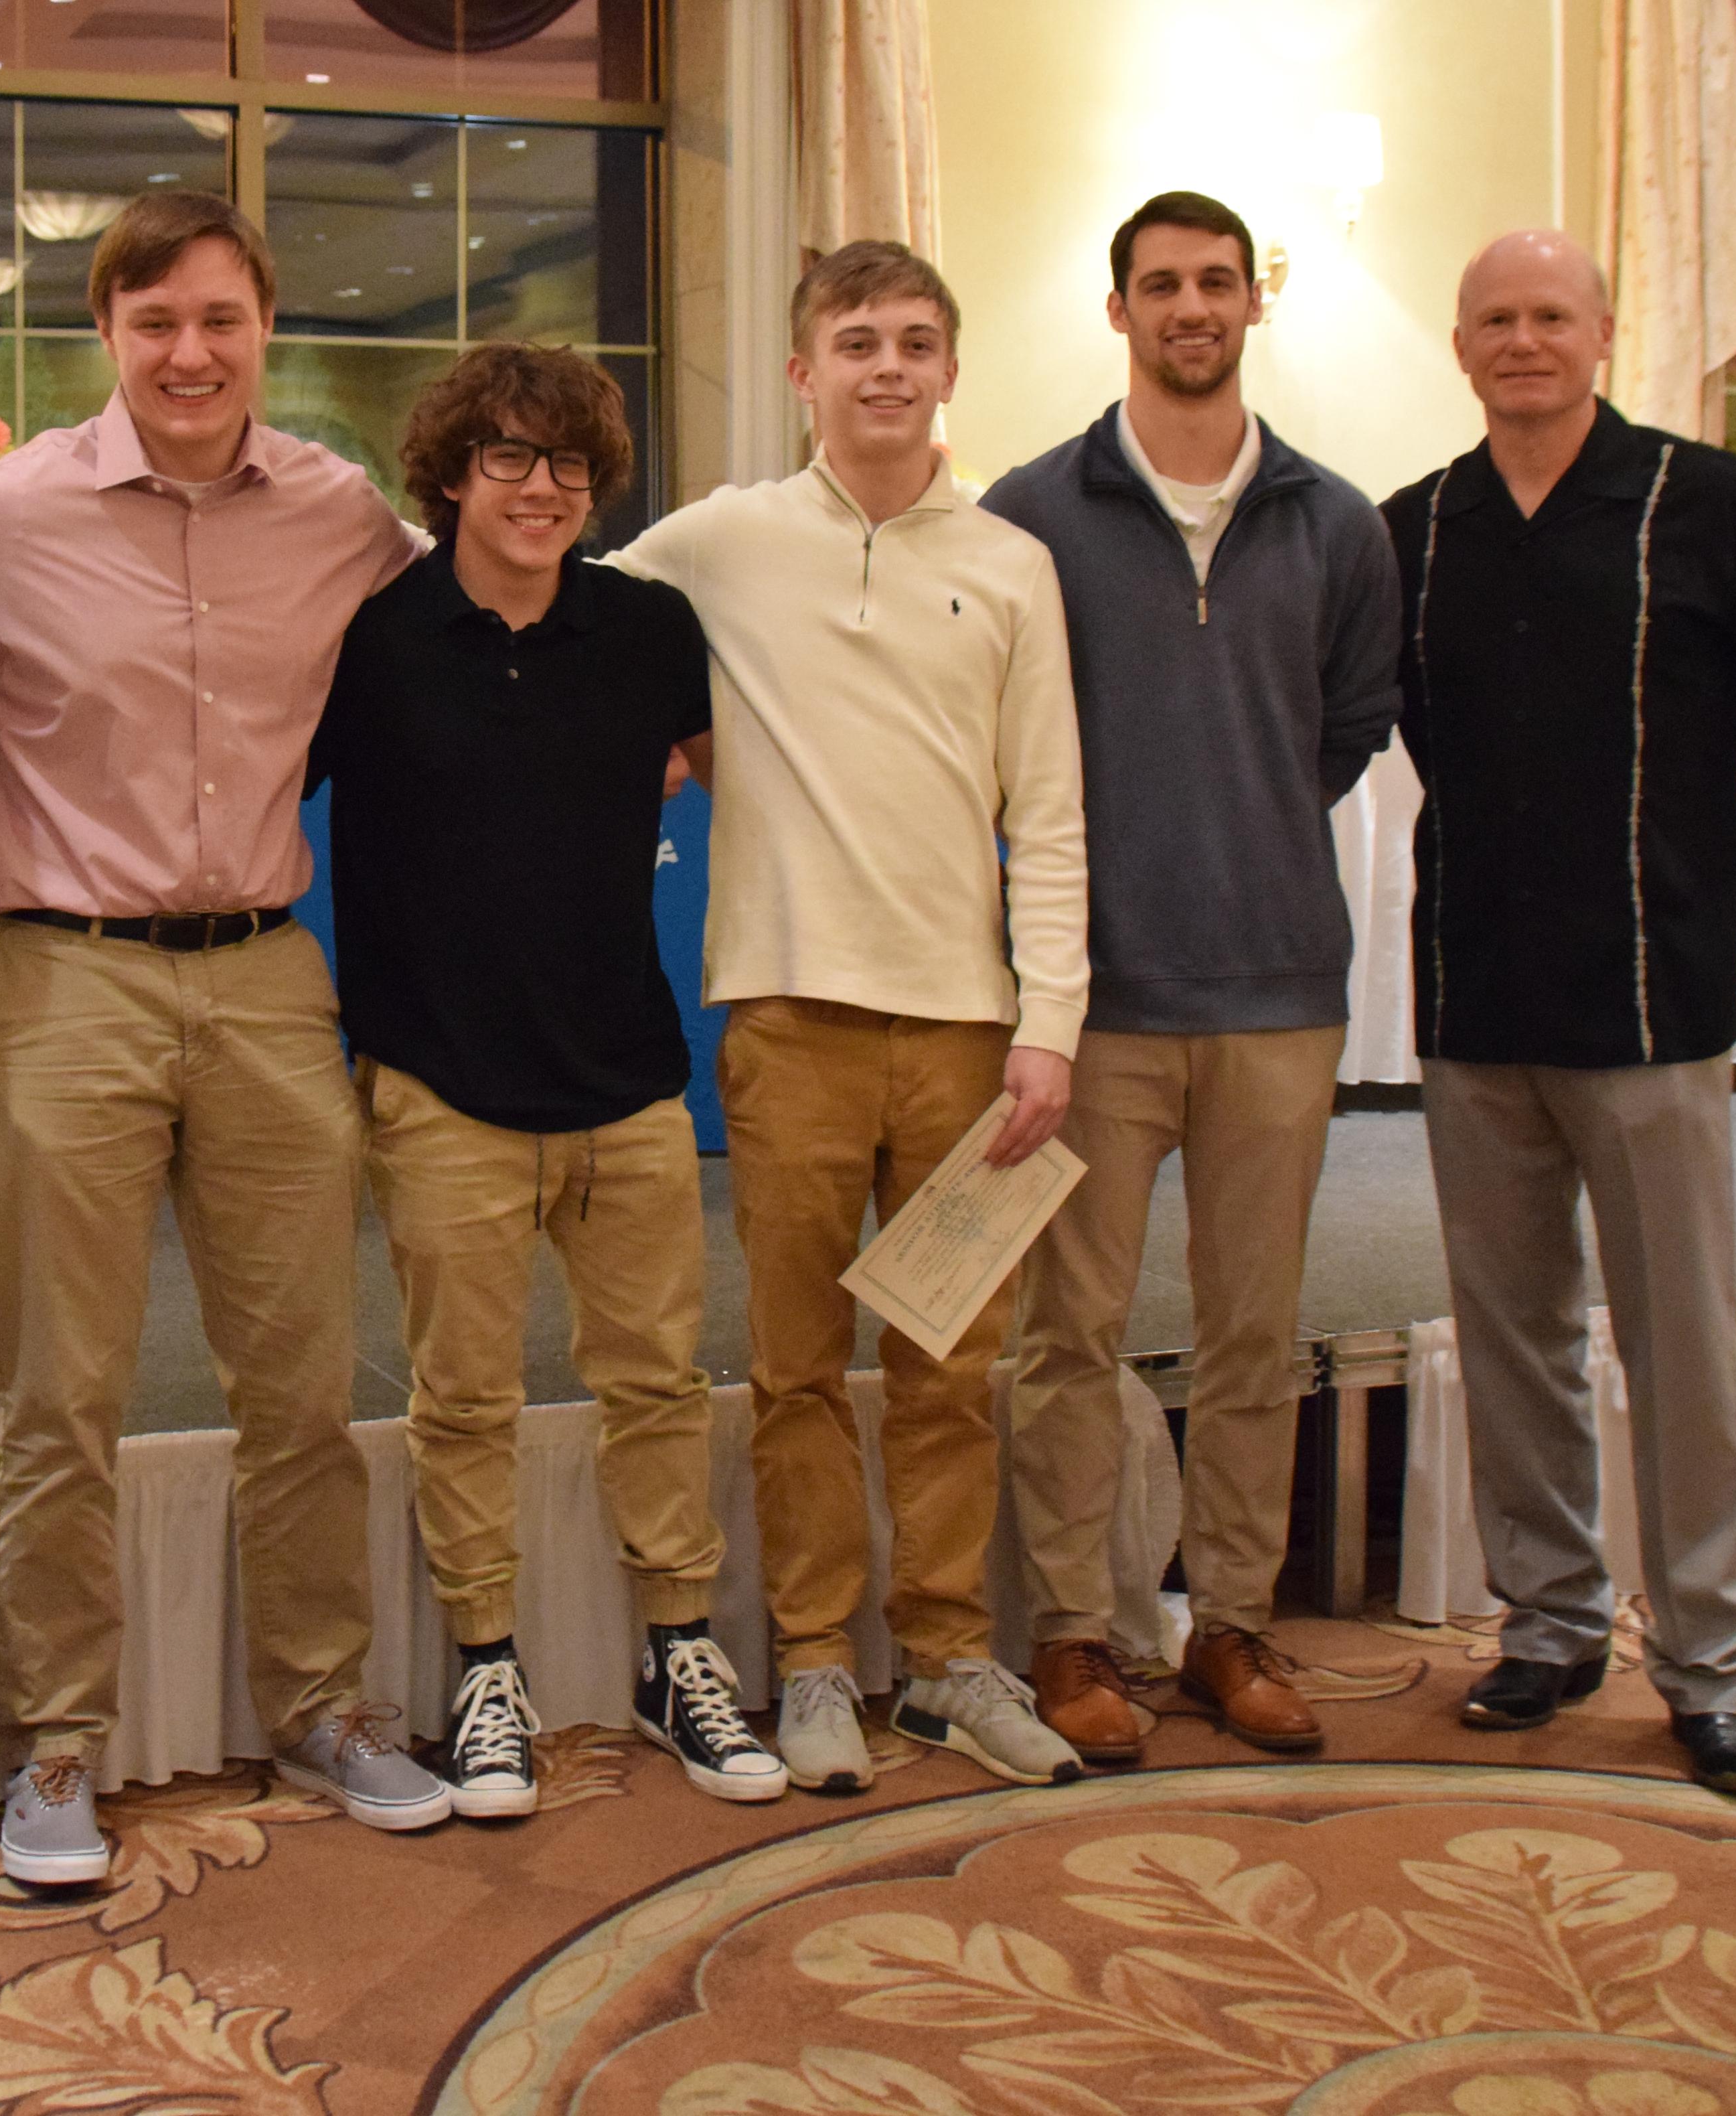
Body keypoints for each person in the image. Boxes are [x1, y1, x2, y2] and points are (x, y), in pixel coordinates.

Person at [0, 190, 451, 1883]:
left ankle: (323, 1704)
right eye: (155, 324)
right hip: (61, 977)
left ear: (265, 326)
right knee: (58, 1389)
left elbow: (470, 625)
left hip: (270, 976)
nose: (190, 353)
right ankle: (55, 1738)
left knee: (303, 1382)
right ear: (108, 336)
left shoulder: (342, 512)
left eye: (220, 319)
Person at [1382, 230, 1736, 1797]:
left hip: (1654, 996)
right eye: (1496, 318)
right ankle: (1548, 1623)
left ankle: (1716, 1660)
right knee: (1513, 1338)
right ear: (1461, 347)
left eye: (1552, 314)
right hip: (1475, 995)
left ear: (1603, 333)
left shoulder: (1708, 501)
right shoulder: (1414, 529)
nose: (1523, 340)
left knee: (1683, 1345)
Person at [610, 240, 1090, 1795]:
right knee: (797, 1367)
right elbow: (562, 613)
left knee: (953, 1365)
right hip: (790, 1024)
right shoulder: (723, 540)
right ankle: (815, 1657)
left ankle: (946, 1659)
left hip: (969, 1035)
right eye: (858, 340)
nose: (888, 366)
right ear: (803, 370)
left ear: (949, 368)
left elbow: (1052, 811)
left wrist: (1051, 1021)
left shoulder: (1013, 564)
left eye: (915, 341)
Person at [310, 344, 781, 1813]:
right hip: (441, 1081)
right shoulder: (374, 633)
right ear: (450, 473)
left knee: (659, 1383)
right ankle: (486, 1667)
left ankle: (679, 1654)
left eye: (569, 462)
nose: (541, 486)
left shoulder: (648, 626)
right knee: (463, 1397)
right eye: (507, 456)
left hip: (626, 1078)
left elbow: (748, 777)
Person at [983, 192, 1401, 1762]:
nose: (1190, 306)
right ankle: (1072, 1629)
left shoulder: (1337, 521)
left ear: (1251, 304)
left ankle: (1230, 1621)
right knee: (1067, 1336)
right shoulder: (1031, 510)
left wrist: (1241, 822)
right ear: (1119, 312)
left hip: (1280, 994)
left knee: (1252, 1335)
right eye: (1160, 284)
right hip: (1091, 1007)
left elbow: (1346, 726)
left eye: (1216, 281)